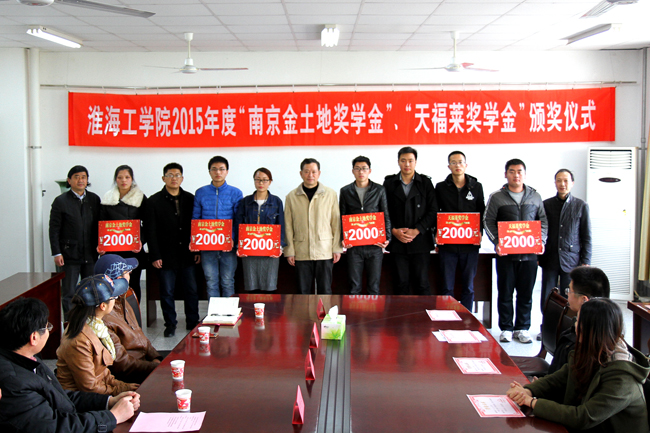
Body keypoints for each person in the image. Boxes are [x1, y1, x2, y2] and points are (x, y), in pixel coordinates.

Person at [507, 298, 649, 433]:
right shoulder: (591, 349)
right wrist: (528, 391)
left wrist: (533, 402)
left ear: (592, 330)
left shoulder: (622, 377)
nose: (575, 326)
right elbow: (557, 379)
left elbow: (583, 417)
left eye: (578, 321)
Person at [0, 298, 139, 432]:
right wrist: (113, 416)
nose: (48, 330)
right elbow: (56, 427)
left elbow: (58, 397)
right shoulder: (15, 383)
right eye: (47, 326)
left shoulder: (26, 357)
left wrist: (109, 401)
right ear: (34, 337)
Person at [484, 158, 548, 344]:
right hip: (506, 255)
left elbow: (543, 221)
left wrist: (542, 240)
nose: (516, 175)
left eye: (519, 171)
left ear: (525, 174)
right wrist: (497, 241)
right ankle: (506, 328)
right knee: (505, 293)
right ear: (506, 174)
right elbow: (488, 221)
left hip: (529, 255)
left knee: (525, 294)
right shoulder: (497, 197)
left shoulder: (535, 196)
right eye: (512, 171)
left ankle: (522, 328)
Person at [56, 275, 139, 396]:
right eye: (114, 297)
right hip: (81, 399)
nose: (115, 300)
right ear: (103, 306)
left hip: (99, 391)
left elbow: (102, 372)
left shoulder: (95, 326)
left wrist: (124, 386)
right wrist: (119, 391)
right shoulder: (79, 341)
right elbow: (89, 388)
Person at [147, 162, 200, 337]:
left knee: (191, 290)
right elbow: (150, 231)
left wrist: (197, 250)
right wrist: (155, 255)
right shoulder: (154, 201)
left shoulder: (190, 199)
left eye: (177, 175)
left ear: (182, 178)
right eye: (170, 175)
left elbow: (197, 227)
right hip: (165, 255)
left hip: (187, 254)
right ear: (164, 178)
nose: (174, 178)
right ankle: (170, 324)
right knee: (167, 292)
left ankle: (192, 322)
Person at [95, 254, 162, 383]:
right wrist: (155, 367)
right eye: (128, 273)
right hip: (131, 375)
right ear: (119, 279)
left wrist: (157, 358)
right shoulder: (103, 316)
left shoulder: (123, 299)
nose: (130, 276)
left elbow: (141, 337)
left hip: (145, 365)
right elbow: (121, 364)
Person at [435, 151, 485, 310]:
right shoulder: (441, 187)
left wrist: (480, 232)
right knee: (447, 287)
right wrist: (435, 234)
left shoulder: (476, 186)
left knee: (468, 287)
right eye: (454, 162)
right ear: (449, 166)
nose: (458, 165)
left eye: (460, 162)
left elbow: (482, 212)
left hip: (470, 245)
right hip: (447, 245)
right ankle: (446, 317)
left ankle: (467, 319)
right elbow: (435, 212)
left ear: (466, 165)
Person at [383, 146, 437, 295]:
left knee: (422, 283)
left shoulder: (425, 182)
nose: (407, 164)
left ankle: (423, 311)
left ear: (415, 162)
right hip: (397, 242)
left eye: (410, 161)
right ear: (398, 162)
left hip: (420, 241)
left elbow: (433, 211)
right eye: (403, 160)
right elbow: (383, 211)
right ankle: (401, 312)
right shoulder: (389, 183)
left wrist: (417, 230)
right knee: (400, 284)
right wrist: (393, 230)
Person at [49, 165, 101, 318]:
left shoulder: (94, 199)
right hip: (69, 254)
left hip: (90, 253)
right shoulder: (60, 201)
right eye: (76, 177)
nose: (80, 180)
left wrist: (102, 245)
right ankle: (70, 324)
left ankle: (88, 322)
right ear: (69, 180)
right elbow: (54, 229)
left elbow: (100, 225)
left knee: (90, 290)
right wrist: (56, 252)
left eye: (83, 177)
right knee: (69, 292)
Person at [284, 158, 342, 294]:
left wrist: (337, 248)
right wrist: (290, 250)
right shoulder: (291, 196)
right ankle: (303, 310)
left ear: (319, 173)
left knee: (325, 290)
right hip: (301, 251)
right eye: (306, 171)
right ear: (301, 173)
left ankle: (325, 310)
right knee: (302, 291)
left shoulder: (330, 194)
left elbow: (336, 223)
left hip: (324, 250)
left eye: (314, 172)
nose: (310, 175)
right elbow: (288, 226)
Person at [538, 169, 592, 311]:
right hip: (550, 258)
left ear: (572, 183)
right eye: (559, 180)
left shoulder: (581, 206)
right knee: (547, 296)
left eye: (566, 181)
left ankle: (566, 324)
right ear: (555, 183)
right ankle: (547, 323)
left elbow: (586, 236)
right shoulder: (546, 205)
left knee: (569, 297)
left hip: (571, 259)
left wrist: (586, 261)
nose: (562, 184)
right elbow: (539, 231)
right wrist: (538, 256)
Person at [339, 156, 391, 295]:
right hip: (354, 247)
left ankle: (373, 310)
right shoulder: (345, 191)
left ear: (370, 171)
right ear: (353, 171)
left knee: (374, 287)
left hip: (374, 246)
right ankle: (353, 310)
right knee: (354, 287)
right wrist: (342, 238)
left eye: (364, 168)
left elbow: (385, 215)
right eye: (357, 169)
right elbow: (342, 216)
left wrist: (387, 238)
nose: (361, 172)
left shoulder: (379, 190)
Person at [192, 156, 243, 298]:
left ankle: (228, 311)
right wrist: (194, 241)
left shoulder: (236, 193)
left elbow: (238, 220)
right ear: (209, 171)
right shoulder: (201, 192)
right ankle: (213, 311)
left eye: (221, 169)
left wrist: (233, 238)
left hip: (228, 246)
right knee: (211, 281)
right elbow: (196, 218)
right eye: (214, 169)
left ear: (227, 171)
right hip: (207, 246)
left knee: (227, 281)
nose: (218, 172)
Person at [548, 266, 610, 374]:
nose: (567, 294)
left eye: (569, 291)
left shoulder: (579, 343)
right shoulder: (611, 329)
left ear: (583, 300)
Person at [100, 165, 148, 301]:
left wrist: (141, 240)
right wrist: (101, 243)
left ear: (132, 179)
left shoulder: (140, 197)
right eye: (120, 177)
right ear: (116, 179)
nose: (123, 180)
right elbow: (101, 223)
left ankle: (134, 312)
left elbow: (147, 223)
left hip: (133, 250)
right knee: (112, 285)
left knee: (133, 284)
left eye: (127, 177)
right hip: (112, 249)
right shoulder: (107, 197)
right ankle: (114, 312)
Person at [235, 167, 286, 292]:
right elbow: (238, 224)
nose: (261, 183)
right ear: (254, 181)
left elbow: (281, 225)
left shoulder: (276, 202)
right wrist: (239, 246)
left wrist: (279, 246)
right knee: (251, 286)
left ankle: (267, 306)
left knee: (269, 285)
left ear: (270, 182)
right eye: (258, 180)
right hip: (249, 250)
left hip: (270, 250)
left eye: (265, 180)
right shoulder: (245, 202)